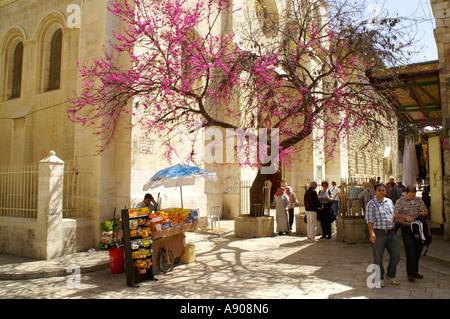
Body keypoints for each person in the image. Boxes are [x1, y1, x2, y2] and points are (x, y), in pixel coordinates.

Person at [365, 183, 400, 287]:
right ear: (375, 192)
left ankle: (391, 274)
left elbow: (393, 215)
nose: (381, 192)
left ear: (386, 191)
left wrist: (393, 223)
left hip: (390, 233)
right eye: (379, 190)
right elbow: (369, 220)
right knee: (378, 257)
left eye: (383, 190)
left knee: (396, 255)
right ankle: (379, 278)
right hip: (378, 233)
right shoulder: (371, 204)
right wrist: (371, 233)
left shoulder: (389, 202)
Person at [394, 185, 429, 282]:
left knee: (418, 248)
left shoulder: (419, 200)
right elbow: (395, 213)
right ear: (406, 193)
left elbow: (425, 210)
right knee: (410, 249)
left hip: (417, 226)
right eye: (410, 196)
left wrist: (423, 213)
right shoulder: (400, 201)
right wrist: (405, 217)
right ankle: (410, 274)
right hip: (406, 226)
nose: (411, 197)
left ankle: (415, 271)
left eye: (413, 195)